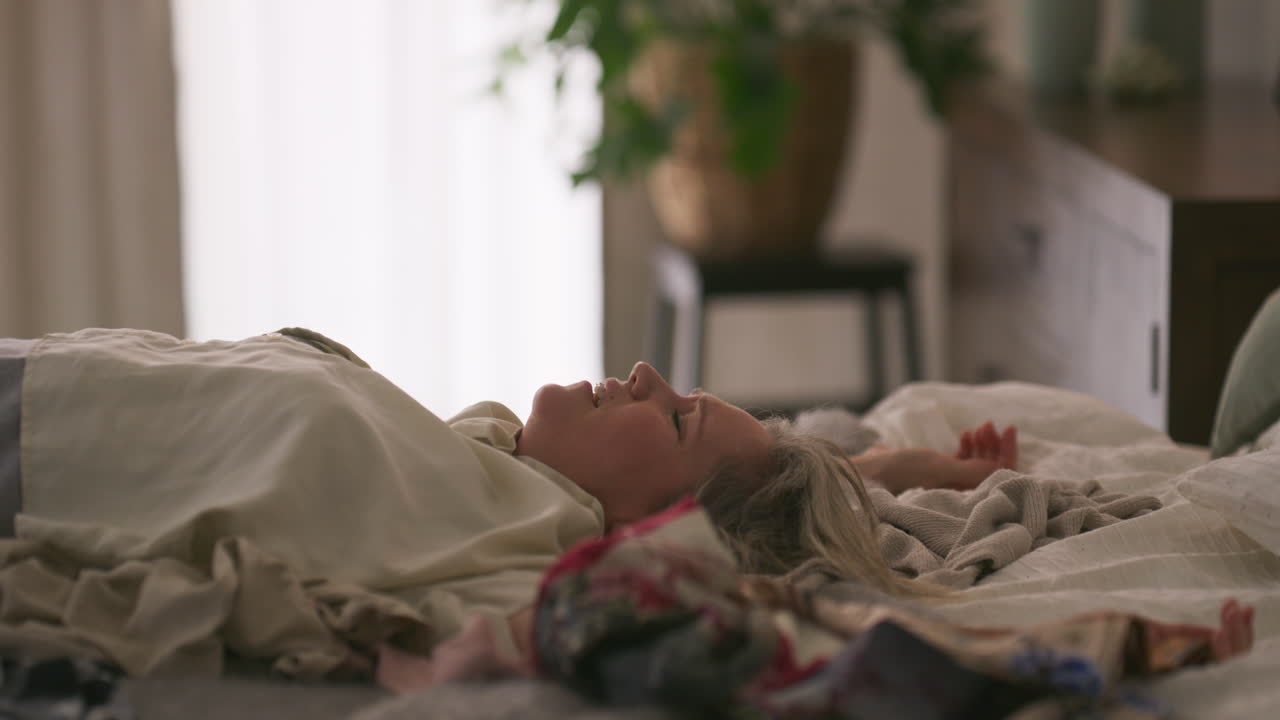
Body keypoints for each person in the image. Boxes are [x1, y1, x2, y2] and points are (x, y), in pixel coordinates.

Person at [0, 327, 1253, 682]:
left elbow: (833, 620)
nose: (644, 374)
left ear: (657, 530)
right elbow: (790, 479)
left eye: (669, 414)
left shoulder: (513, 539)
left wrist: (1133, 639)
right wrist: (898, 468)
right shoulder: (491, 468)